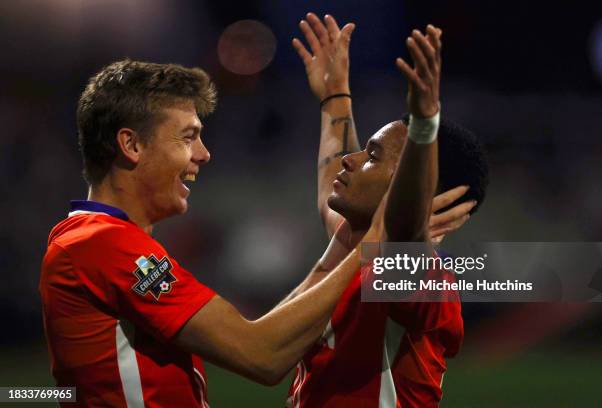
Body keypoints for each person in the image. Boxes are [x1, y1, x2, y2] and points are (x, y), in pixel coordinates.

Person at [40, 60, 383, 407]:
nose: (204, 154)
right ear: (132, 145)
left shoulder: (99, 240)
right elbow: (264, 354)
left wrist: (352, 242)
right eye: (188, 137)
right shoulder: (100, 243)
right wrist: (371, 246)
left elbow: (265, 336)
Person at [284, 13, 489, 407]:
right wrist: (335, 95)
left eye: (373, 156)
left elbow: (406, 223)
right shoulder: (356, 246)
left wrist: (425, 126)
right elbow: (332, 184)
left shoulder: (416, 275)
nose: (351, 159)